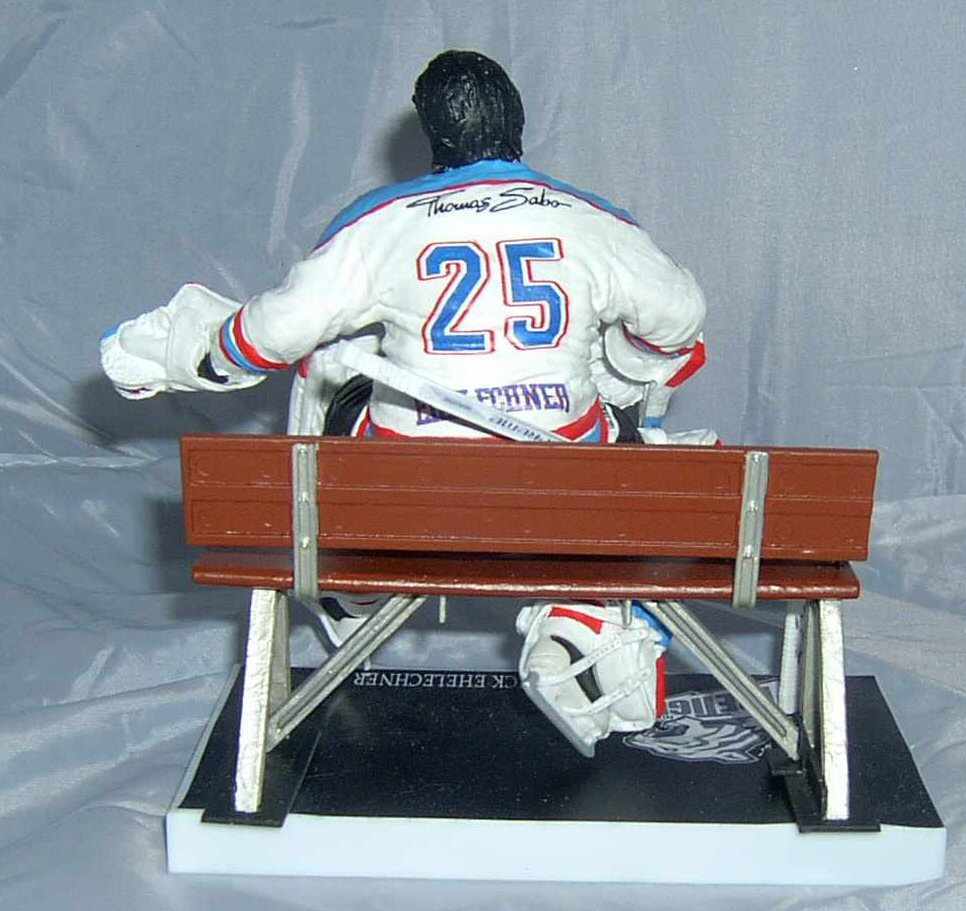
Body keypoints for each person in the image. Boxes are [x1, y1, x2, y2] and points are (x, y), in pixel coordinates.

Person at [101, 50, 709, 754]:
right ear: (518, 121)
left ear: (429, 131)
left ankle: (353, 585)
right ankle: (585, 612)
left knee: (327, 371)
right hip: (559, 497)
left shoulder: (380, 221)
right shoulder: (594, 220)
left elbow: (273, 334)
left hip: (409, 498)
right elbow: (680, 319)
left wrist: (201, 355)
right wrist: (624, 364)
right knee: (619, 427)